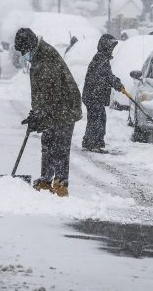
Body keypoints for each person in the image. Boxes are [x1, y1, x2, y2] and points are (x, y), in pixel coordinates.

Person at [14, 27, 83, 197]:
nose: (24, 54)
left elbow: (51, 94)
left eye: (24, 50)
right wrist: (35, 114)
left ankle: (61, 183)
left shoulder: (46, 60)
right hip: (55, 107)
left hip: (65, 108)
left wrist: (40, 116)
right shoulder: (38, 57)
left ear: (30, 46)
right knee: (48, 142)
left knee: (59, 145)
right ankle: (46, 179)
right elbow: (41, 94)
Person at [81, 34, 124, 153]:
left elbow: (106, 76)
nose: (112, 49)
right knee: (98, 119)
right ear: (105, 46)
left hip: (92, 95)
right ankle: (94, 144)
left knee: (95, 118)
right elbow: (107, 76)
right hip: (93, 95)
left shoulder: (101, 58)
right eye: (110, 46)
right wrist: (117, 84)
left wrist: (115, 83)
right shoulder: (100, 58)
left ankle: (89, 142)